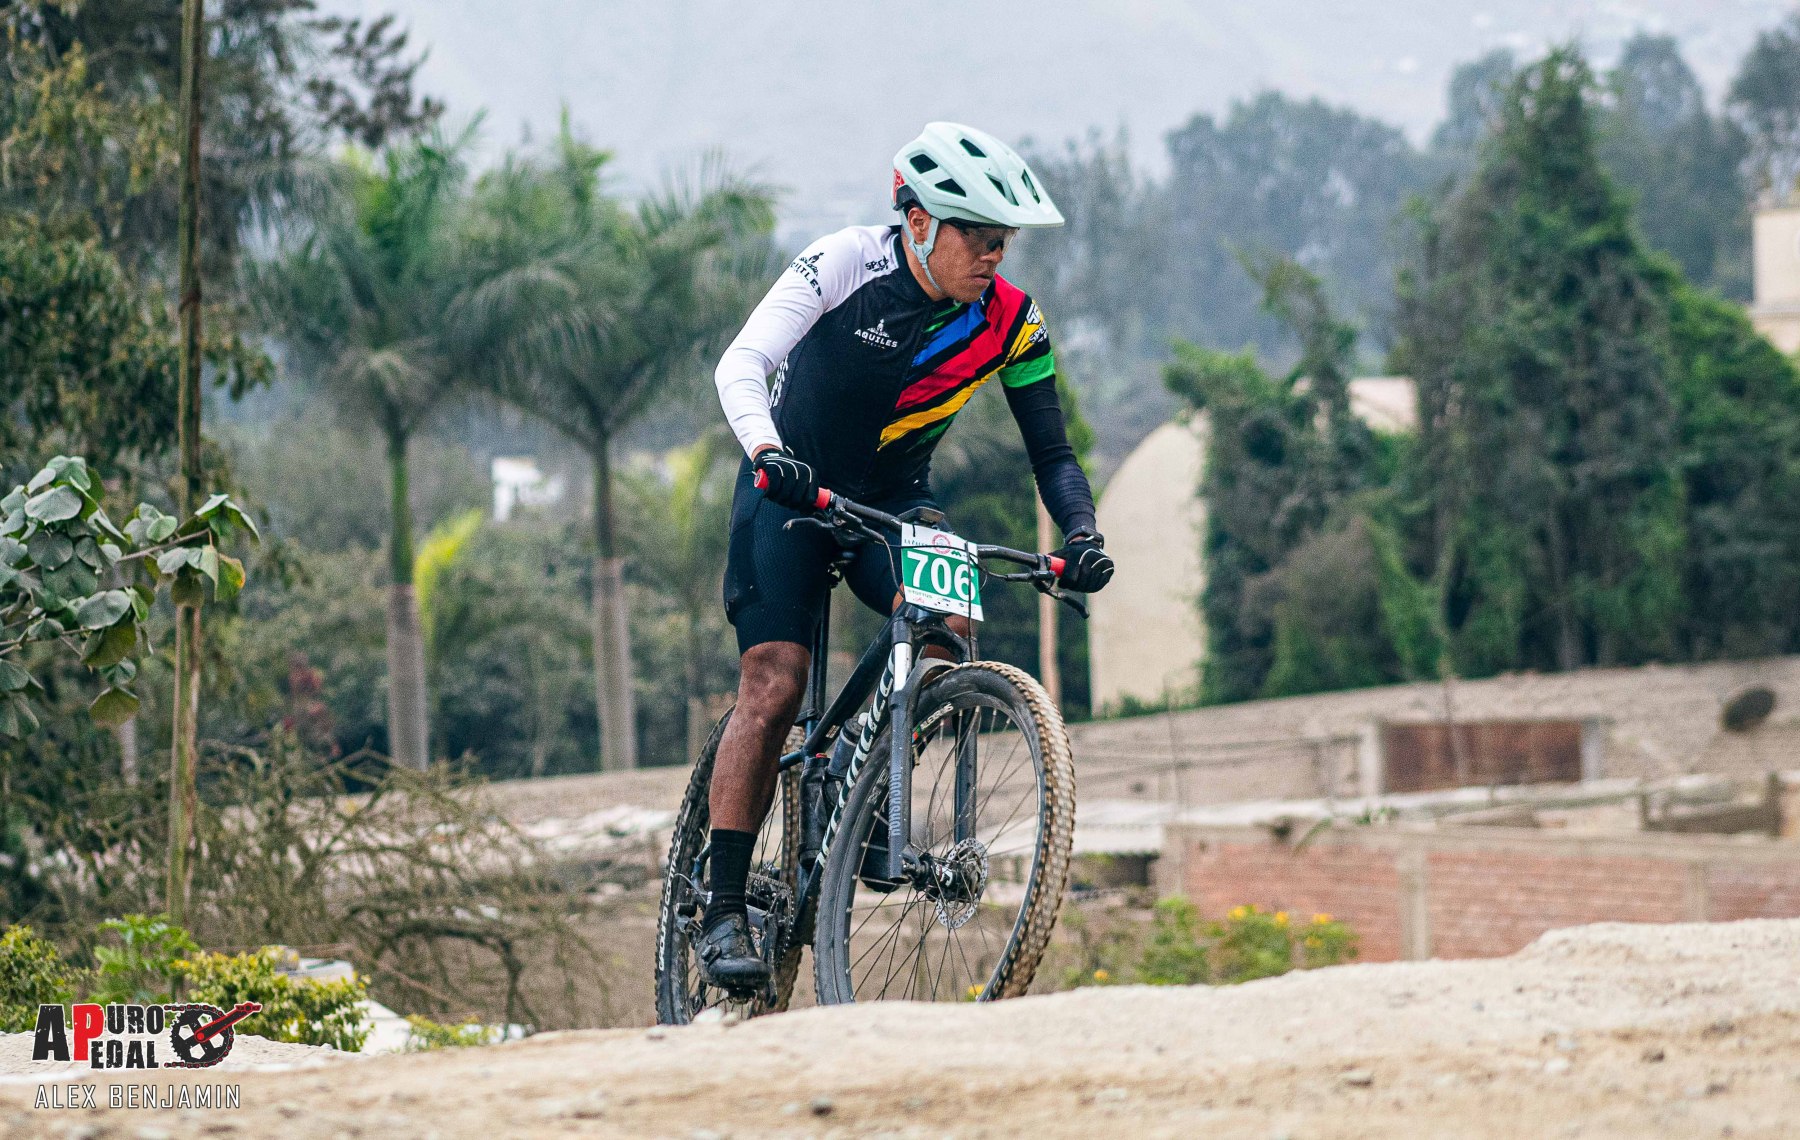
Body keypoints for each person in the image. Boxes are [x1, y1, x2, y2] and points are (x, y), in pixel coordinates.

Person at [698, 122, 1114, 988]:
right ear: (919, 221)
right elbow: (742, 363)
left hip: (892, 502)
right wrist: (768, 451)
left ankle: (869, 784)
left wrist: (1081, 535)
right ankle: (723, 906)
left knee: (948, 623)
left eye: (1003, 240)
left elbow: (1052, 453)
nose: (994, 255)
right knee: (774, 682)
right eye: (978, 236)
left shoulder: (1012, 321)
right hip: (791, 490)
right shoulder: (846, 262)